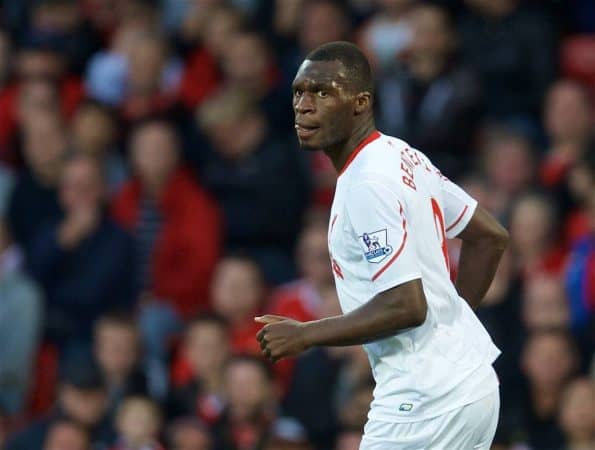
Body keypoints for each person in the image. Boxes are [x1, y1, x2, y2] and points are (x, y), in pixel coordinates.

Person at [256, 41, 508, 449]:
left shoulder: (367, 183)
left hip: (425, 400)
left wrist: (306, 334)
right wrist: (451, 327)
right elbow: (490, 236)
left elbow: (406, 304)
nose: (303, 105)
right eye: (299, 92)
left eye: (322, 93)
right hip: (470, 384)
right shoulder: (401, 155)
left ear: (360, 103)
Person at [28, 153, 135, 361]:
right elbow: (29, 281)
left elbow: (91, 293)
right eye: (73, 186)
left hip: (91, 331)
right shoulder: (49, 232)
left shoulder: (119, 238)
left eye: (88, 186)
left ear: (103, 190)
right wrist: (60, 244)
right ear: (62, 194)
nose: (80, 194)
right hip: (46, 328)